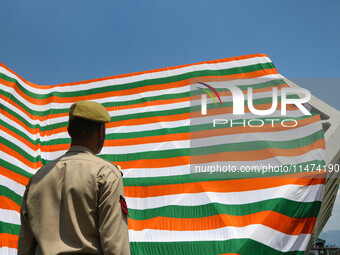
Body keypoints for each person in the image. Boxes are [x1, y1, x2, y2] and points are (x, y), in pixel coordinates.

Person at [18, 101, 130, 255]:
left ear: (69, 131)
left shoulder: (37, 179)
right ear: (100, 132)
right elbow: (116, 247)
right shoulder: (106, 175)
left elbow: (25, 246)